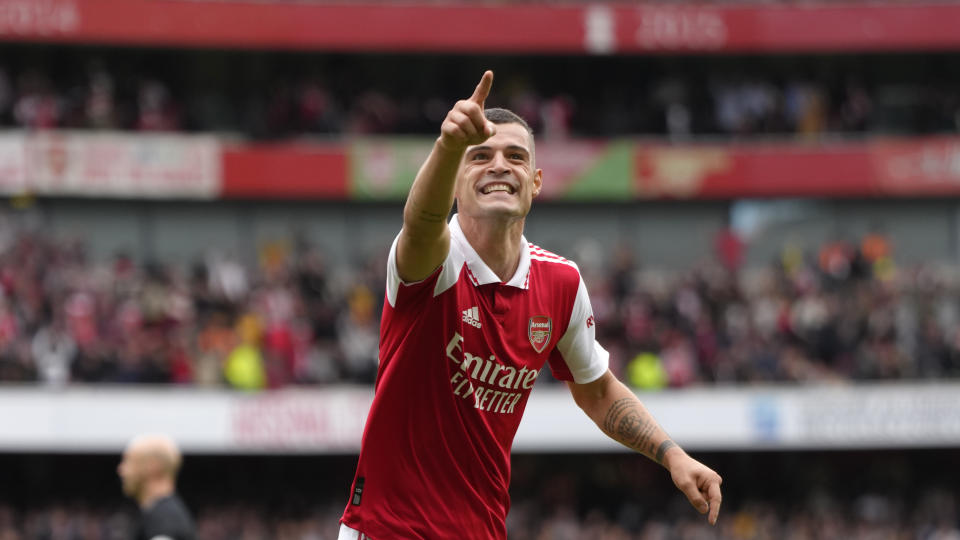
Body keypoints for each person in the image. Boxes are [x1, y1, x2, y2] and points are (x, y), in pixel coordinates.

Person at [339, 71, 722, 539]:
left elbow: (597, 392)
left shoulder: (560, 282)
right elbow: (421, 220)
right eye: (479, 157)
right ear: (454, 182)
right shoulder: (433, 260)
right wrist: (447, 146)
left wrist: (672, 455)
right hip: (388, 531)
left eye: (515, 157)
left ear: (535, 182)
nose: (499, 165)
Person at [118, 433, 196, 540]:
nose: (121, 470)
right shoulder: (161, 516)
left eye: (128, 461)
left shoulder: (163, 522)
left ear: (153, 466)